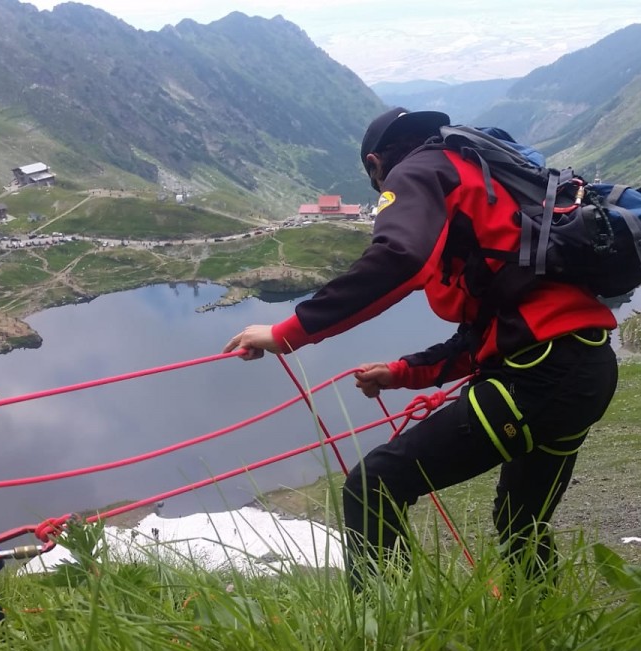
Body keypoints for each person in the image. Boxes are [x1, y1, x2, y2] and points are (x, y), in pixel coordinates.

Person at [223, 107, 619, 585]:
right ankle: (541, 630)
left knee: (374, 483)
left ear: (376, 164)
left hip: (540, 374)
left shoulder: (416, 169)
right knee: (519, 524)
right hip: (586, 366)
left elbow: (400, 258)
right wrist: (401, 373)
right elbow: (488, 333)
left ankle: (385, 634)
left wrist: (286, 333)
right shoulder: (480, 175)